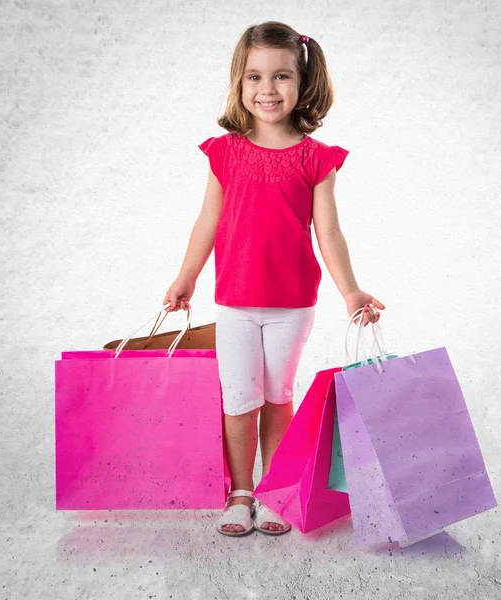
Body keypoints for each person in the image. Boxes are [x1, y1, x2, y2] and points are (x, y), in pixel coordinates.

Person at [163, 21, 384, 537]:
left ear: (303, 82)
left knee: (277, 396)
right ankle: (240, 491)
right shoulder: (226, 152)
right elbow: (208, 221)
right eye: (255, 77)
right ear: (239, 84)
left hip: (292, 304)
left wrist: (351, 290)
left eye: (282, 76)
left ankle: (273, 490)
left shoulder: (317, 159)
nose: (268, 90)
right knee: (240, 398)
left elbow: (328, 230)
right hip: (235, 302)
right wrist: (185, 277)